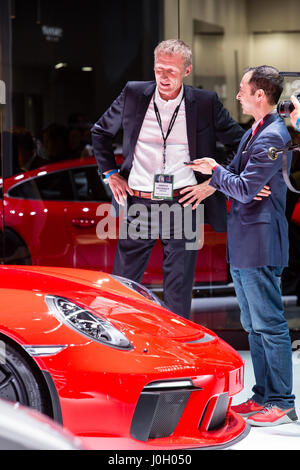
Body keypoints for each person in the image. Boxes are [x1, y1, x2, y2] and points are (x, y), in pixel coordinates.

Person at [91, 39, 246, 319]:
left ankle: (177, 352)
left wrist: (213, 183)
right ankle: (125, 347)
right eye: (159, 69)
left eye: (171, 71)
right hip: (139, 201)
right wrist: (111, 174)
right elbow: (100, 132)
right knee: (124, 284)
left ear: (187, 70)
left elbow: (239, 142)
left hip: (183, 202)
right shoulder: (134, 94)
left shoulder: (204, 102)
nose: (163, 77)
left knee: (178, 288)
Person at [186, 66, 297, 426]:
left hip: (261, 241)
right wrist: (223, 176)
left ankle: (280, 400)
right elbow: (237, 174)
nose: (238, 95)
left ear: (259, 96)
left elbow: (245, 186)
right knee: (254, 324)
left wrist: (221, 175)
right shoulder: (257, 130)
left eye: (243, 90)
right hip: (246, 239)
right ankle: (263, 394)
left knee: (269, 323)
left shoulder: (272, 136)